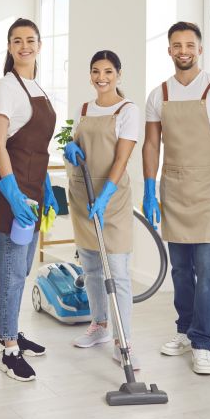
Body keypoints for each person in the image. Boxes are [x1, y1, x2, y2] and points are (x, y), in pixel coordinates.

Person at [142, 21, 210, 375]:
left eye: (189, 45)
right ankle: (184, 330)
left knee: (207, 270)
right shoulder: (159, 94)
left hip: (208, 193)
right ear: (169, 50)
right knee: (181, 270)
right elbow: (151, 144)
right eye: (177, 45)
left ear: (200, 49)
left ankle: (203, 342)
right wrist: (149, 188)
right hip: (173, 190)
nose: (183, 51)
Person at [0, 18, 59, 382]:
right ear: (10, 46)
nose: (24, 46)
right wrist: (12, 192)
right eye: (17, 40)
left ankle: (12, 329)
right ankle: (8, 348)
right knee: (11, 271)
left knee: (23, 266)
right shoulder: (5, 87)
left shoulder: (38, 88)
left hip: (33, 187)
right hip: (10, 187)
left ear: (39, 45)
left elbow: (38, 148)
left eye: (30, 40)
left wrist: (46, 187)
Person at [62, 50, 141, 369]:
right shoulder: (84, 109)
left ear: (118, 74)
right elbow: (79, 148)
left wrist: (107, 193)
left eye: (108, 71)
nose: (101, 77)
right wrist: (69, 148)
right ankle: (100, 326)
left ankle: (125, 343)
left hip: (113, 197)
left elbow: (122, 158)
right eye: (96, 71)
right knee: (91, 266)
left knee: (118, 272)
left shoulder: (127, 110)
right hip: (83, 194)